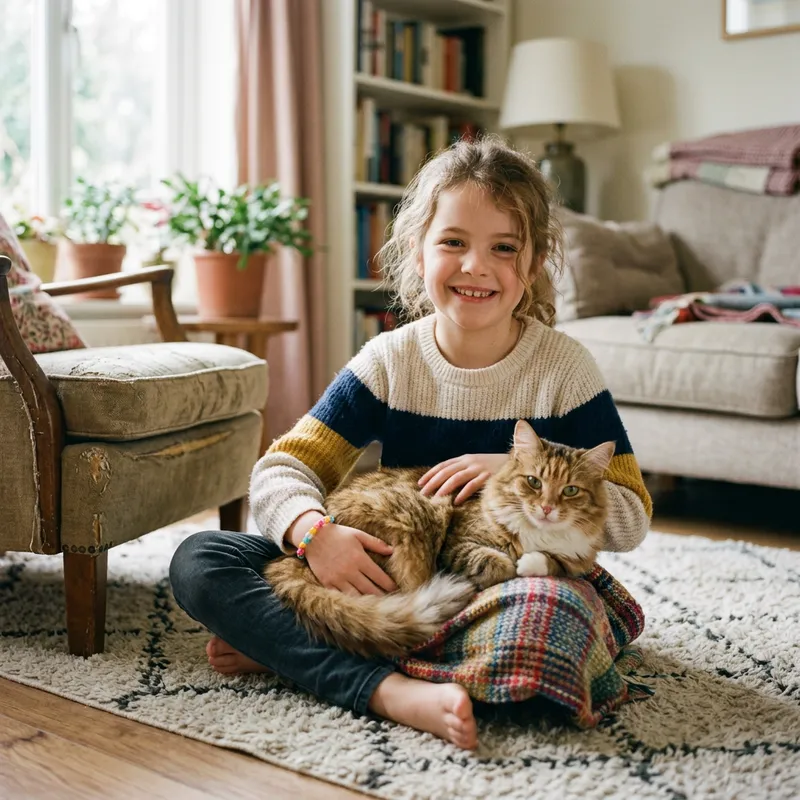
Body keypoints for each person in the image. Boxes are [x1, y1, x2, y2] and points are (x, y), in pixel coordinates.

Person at [169, 136, 652, 751]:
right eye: (453, 242)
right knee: (200, 560)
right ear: (418, 254)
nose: (476, 266)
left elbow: (632, 517)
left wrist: (513, 467)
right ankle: (392, 687)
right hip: (386, 571)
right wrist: (317, 536)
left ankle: (292, 647)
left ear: (531, 267)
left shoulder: (564, 369)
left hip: (502, 585)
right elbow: (282, 468)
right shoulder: (390, 360)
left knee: (553, 613)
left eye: (504, 248)